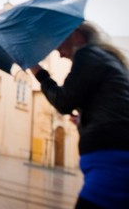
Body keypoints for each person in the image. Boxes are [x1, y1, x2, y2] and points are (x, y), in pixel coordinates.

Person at [30, 21, 129, 209]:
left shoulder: (87, 54)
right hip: (117, 158)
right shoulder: (107, 57)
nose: (58, 52)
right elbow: (114, 106)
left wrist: (37, 71)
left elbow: (63, 101)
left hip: (112, 164)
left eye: (59, 42)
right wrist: (85, 118)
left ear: (76, 35)